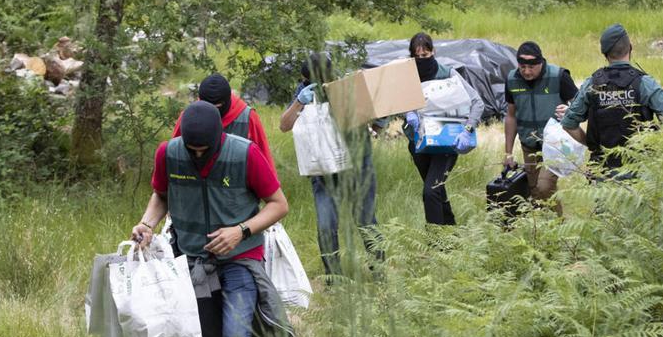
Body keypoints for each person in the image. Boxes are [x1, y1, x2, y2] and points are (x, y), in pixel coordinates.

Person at [131, 101, 292, 337]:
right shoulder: (169, 153)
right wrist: (147, 226)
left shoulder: (244, 154)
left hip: (239, 259)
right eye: (192, 150)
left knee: (236, 336)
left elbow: (278, 204)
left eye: (204, 150)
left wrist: (240, 231)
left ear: (219, 138)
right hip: (192, 263)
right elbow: (161, 195)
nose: (198, 155)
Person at [279, 53, 384, 277]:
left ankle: (379, 270)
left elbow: (377, 117)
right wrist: (299, 101)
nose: (313, 85)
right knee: (326, 224)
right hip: (323, 170)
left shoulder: (345, 88)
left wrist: (364, 116)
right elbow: (284, 125)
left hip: (356, 167)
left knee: (366, 220)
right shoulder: (304, 92)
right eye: (308, 81)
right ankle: (334, 279)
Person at [562, 24, 663, 179]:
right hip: (642, 171)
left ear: (604, 53)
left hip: (603, 171)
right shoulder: (645, 83)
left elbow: (568, 124)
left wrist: (594, 146)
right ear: (630, 48)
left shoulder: (591, 84)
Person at [403, 32, 485, 226]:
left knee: (430, 192)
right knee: (437, 190)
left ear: (433, 52)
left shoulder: (448, 74)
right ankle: (451, 234)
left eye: (425, 55)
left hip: (446, 143)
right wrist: (408, 112)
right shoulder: (407, 77)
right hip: (418, 144)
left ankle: (436, 243)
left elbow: (477, 103)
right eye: (417, 56)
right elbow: (397, 102)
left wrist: (467, 129)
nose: (421, 60)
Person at [503, 41, 578, 214]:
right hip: (529, 145)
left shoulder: (559, 76)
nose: (527, 71)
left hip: (557, 145)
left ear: (541, 63)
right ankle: (552, 233)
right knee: (536, 193)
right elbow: (511, 116)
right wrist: (508, 153)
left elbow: (580, 106)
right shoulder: (512, 80)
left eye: (532, 67)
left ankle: (559, 231)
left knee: (544, 187)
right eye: (522, 67)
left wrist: (570, 110)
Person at [173, 73, 277, 175]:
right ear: (200, 100)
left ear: (227, 101)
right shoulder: (188, 118)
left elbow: (265, 160)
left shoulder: (248, 118)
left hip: (237, 186)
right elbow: (174, 154)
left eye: (217, 107)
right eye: (209, 106)